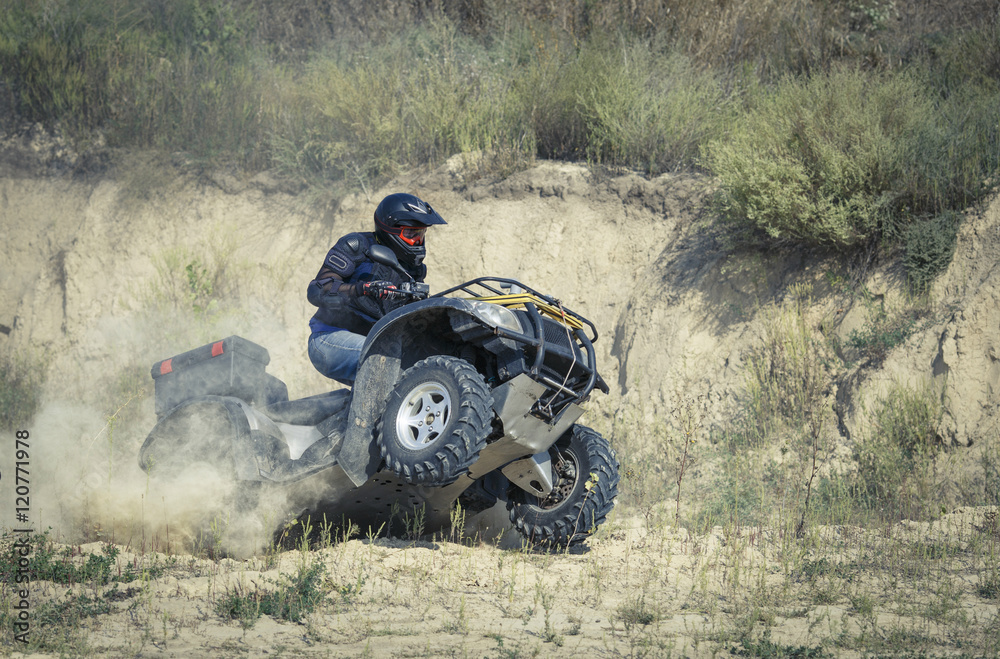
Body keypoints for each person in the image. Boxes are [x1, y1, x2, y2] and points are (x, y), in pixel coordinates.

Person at [306, 192, 446, 385]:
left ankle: (330, 413)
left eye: (421, 234)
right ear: (390, 229)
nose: (417, 241)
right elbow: (316, 290)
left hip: (374, 344)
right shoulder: (356, 246)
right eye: (411, 234)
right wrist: (361, 289)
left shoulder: (413, 270)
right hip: (328, 338)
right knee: (390, 365)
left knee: (424, 368)